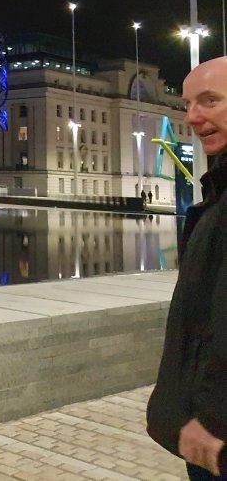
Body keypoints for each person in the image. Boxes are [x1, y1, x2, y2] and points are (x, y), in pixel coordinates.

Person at [147, 58, 227, 479]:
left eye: (210, 101)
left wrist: (214, 416)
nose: (192, 116)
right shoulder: (219, 189)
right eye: (189, 103)